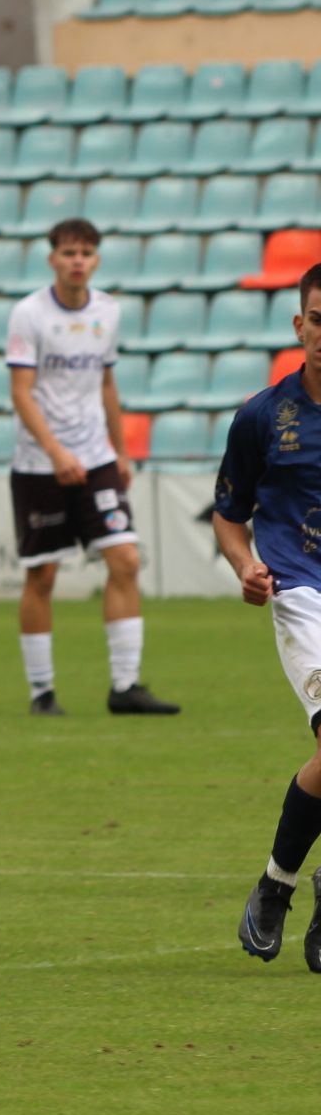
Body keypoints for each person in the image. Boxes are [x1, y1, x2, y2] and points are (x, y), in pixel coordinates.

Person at [7, 217, 178, 717]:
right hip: (40, 462)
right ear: (52, 259)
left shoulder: (108, 311)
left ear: (96, 259)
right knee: (42, 575)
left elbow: (106, 383)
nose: (77, 260)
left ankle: (124, 686)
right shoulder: (29, 314)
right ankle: (42, 691)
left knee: (125, 559)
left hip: (97, 456)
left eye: (85, 252)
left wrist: (120, 451)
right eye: (68, 252)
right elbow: (21, 391)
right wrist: (57, 452)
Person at [225, 264, 321, 966]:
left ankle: (284, 883)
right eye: (320, 320)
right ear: (300, 326)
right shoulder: (263, 416)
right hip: (300, 591)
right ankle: (279, 889)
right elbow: (231, 518)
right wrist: (244, 567)